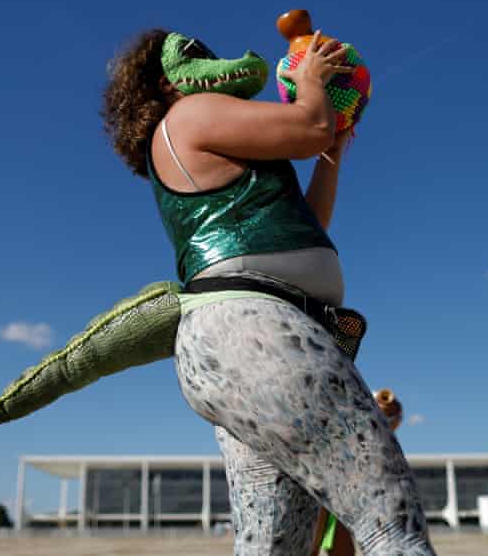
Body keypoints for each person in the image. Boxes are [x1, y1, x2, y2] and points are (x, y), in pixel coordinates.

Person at [101, 28, 436, 556]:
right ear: (163, 83)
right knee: (387, 517)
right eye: (195, 57)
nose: (211, 63)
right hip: (256, 331)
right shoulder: (189, 114)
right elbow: (309, 125)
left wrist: (334, 152)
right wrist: (311, 82)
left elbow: (310, 220)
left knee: (273, 544)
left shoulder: (216, 140)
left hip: (237, 344)